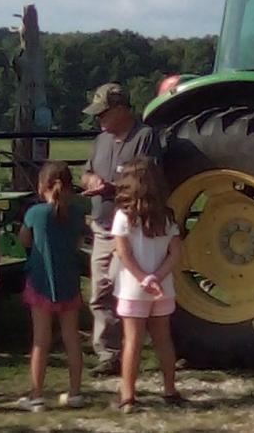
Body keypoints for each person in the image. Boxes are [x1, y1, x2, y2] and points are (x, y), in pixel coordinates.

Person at [81, 82, 161, 376]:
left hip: (131, 227)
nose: (98, 119)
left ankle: (134, 348)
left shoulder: (145, 137)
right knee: (100, 291)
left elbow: (147, 180)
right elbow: (86, 172)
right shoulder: (101, 141)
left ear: (121, 109)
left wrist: (112, 188)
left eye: (103, 113)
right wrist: (91, 182)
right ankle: (108, 354)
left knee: (123, 286)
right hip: (102, 226)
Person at [110, 158, 182, 413]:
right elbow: (175, 253)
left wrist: (143, 278)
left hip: (133, 288)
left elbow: (123, 253)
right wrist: (157, 277)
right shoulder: (167, 215)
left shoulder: (123, 216)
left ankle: (128, 396)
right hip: (162, 288)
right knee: (164, 340)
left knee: (132, 342)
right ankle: (170, 389)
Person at [16, 161, 87, 412]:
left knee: (41, 340)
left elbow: (25, 239)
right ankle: (76, 392)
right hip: (69, 281)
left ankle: (36, 395)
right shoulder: (77, 213)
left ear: (41, 186)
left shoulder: (35, 214)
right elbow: (79, 244)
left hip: (40, 281)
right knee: (72, 339)